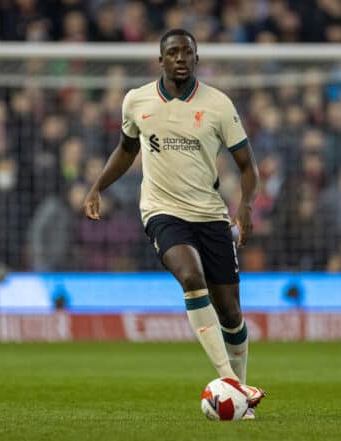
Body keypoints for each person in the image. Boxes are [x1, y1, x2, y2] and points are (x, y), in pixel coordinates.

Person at [84, 29, 264, 418]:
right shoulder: (137, 101)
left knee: (230, 312)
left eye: (188, 52)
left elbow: (248, 165)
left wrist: (246, 205)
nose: (180, 58)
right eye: (173, 52)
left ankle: (239, 395)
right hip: (162, 211)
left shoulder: (218, 105)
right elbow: (127, 148)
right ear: (160, 59)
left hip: (210, 214)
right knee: (190, 276)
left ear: (197, 59)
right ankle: (231, 384)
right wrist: (98, 186)